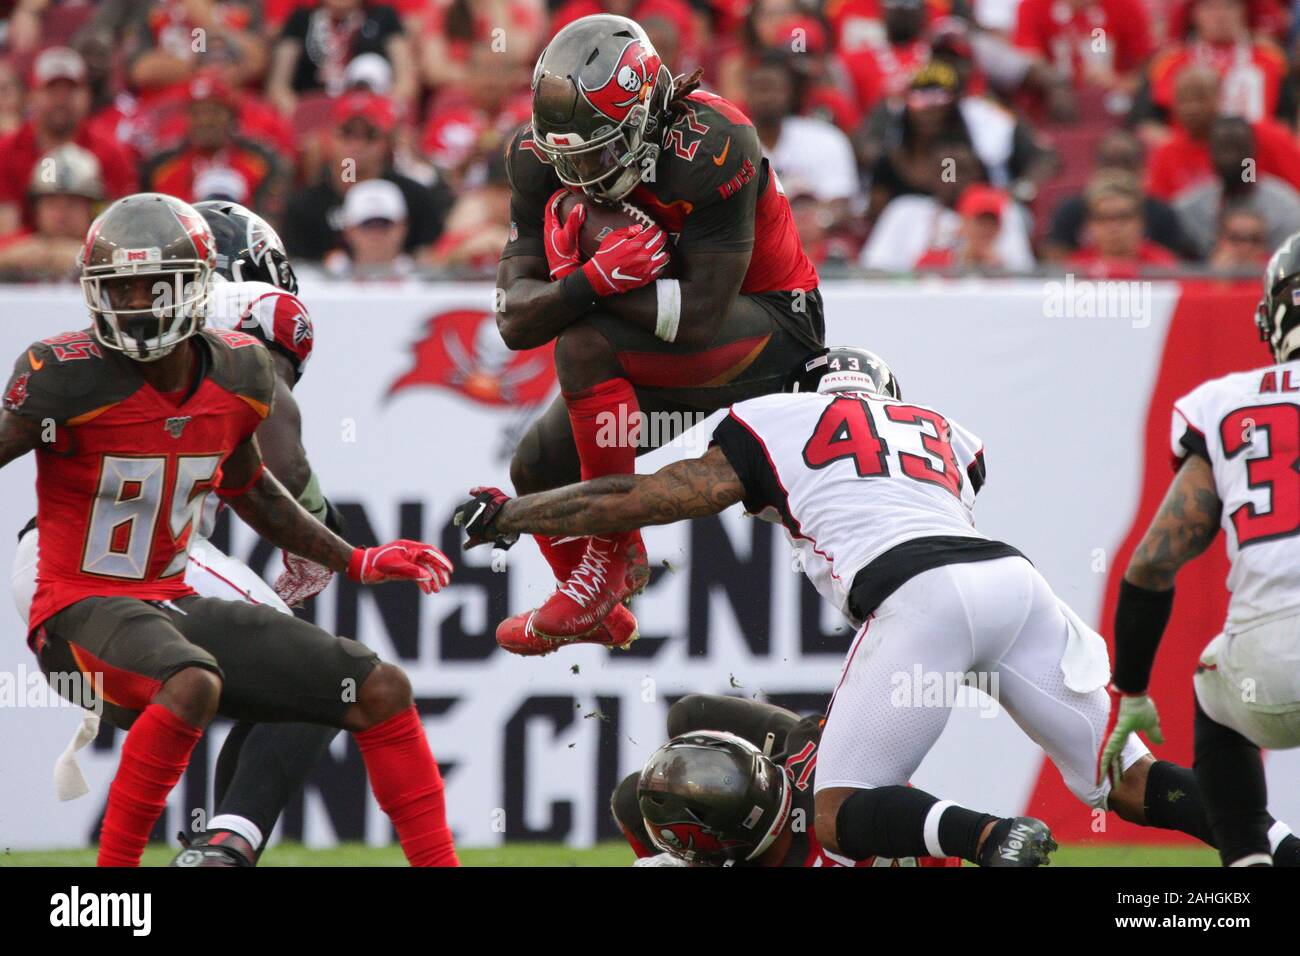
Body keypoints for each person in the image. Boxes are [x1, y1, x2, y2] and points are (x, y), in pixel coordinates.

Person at [454, 345, 1300, 866]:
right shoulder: (943, 429)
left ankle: (987, 838)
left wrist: (515, 515)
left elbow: (644, 499)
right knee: (1128, 777)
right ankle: (1281, 848)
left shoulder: (778, 416)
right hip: (1015, 583)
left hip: (919, 595)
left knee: (833, 813)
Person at [0, 192, 457, 867]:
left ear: (197, 285)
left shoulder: (239, 366)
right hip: (76, 598)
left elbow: (251, 486)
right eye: (117, 288)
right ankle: (115, 892)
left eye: (152, 286)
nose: (135, 303)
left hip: (168, 593)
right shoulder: (62, 374)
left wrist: (356, 560)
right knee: (193, 680)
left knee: (371, 684)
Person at [494, 14, 823, 655]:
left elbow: (699, 315)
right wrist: (592, 282)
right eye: (570, 155)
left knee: (583, 342)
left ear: (647, 116)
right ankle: (601, 607)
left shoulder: (713, 144)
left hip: (769, 327)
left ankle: (607, 558)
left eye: (600, 150)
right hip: (660, 335)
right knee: (537, 465)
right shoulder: (537, 158)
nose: (583, 172)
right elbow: (513, 319)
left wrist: (585, 289)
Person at [1102, 233, 1300, 866]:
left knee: (1215, 681)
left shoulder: (1227, 404)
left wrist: (1131, 690)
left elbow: (1152, 564)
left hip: (1265, 666)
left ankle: (1247, 860)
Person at [612, 694, 962, 867]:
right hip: (918, 837)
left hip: (883, 837)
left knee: (632, 799)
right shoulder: (811, 751)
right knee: (686, 719)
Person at [0, 144, 103, 283]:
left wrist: (83, 257)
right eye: (51, 204)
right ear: (36, 209)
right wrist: (9, 259)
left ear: (91, 208)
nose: (61, 214)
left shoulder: (106, 248)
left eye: (73, 203)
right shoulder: (16, 244)